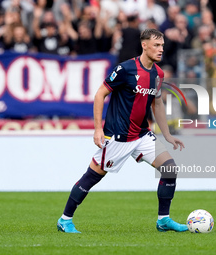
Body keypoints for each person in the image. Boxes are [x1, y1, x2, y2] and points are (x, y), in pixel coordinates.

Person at [57, 28, 188, 233]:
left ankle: (163, 220)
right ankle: (65, 219)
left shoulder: (158, 73)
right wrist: (98, 129)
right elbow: (100, 94)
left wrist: (168, 134)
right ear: (144, 45)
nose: (161, 49)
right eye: (156, 45)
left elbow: (158, 104)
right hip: (118, 136)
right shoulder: (125, 69)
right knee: (92, 177)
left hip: (142, 134)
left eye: (162, 45)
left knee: (170, 169)